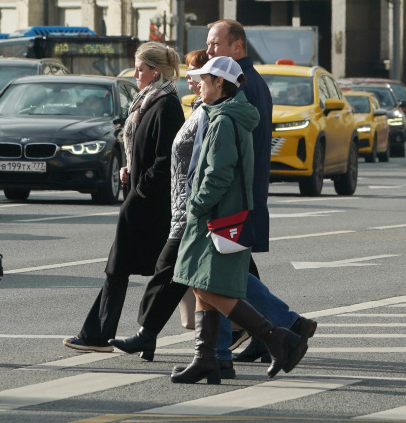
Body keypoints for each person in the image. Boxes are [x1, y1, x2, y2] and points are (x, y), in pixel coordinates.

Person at [170, 56, 300, 385]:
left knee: (207, 286)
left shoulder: (224, 120)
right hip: (219, 215)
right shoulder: (223, 114)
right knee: (201, 287)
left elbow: (218, 174)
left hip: (216, 217)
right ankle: (209, 360)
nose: (198, 84)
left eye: (205, 79)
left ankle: (275, 338)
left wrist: (196, 207)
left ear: (220, 84)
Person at [204, 20, 317, 366]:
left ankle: (274, 329)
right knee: (229, 276)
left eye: (215, 45)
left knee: (219, 277)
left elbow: (233, 153)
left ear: (237, 48)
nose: (209, 52)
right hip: (239, 199)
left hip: (235, 201)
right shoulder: (247, 83)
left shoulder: (243, 87)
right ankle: (268, 331)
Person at [62, 41, 184, 353]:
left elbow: (165, 160)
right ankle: (124, 334)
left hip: (151, 203)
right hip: (142, 197)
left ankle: (101, 335)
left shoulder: (166, 105)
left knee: (138, 269)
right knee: (142, 269)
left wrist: (140, 188)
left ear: (155, 72)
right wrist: (128, 168)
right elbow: (142, 150)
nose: (136, 73)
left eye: (140, 68)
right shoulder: (146, 102)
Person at [108, 49, 209, 361]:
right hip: (185, 205)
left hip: (194, 207)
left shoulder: (174, 105)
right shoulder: (195, 107)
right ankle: (211, 349)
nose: (192, 81)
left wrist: (143, 188)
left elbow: (191, 161)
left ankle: (278, 328)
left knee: (173, 270)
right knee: (192, 273)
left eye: (198, 76)